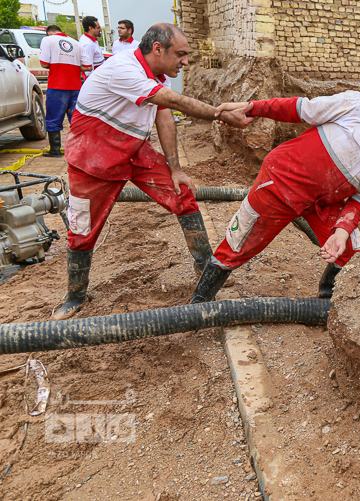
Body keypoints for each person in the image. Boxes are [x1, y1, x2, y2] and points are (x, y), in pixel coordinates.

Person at [55, 23, 253, 320]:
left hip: (133, 149)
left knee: (182, 193)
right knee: (82, 230)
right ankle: (75, 296)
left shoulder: (160, 75)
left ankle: (205, 269)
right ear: (158, 49)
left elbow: (165, 118)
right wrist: (218, 112)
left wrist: (176, 169)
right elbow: (171, 102)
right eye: (181, 54)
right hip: (92, 156)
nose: (185, 62)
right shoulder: (123, 69)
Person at [190, 91, 360, 303]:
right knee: (238, 245)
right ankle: (198, 306)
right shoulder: (358, 106)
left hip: (324, 204)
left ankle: (326, 305)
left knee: (350, 251)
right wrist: (250, 108)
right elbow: (299, 109)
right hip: (281, 184)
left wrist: (342, 231)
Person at [39, 25, 92, 157]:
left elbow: (44, 63)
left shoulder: (47, 40)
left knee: (53, 118)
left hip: (57, 86)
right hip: (76, 87)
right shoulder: (76, 43)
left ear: (49, 33)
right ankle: (81, 151)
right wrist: (72, 65)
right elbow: (88, 66)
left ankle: (55, 150)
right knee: (77, 119)